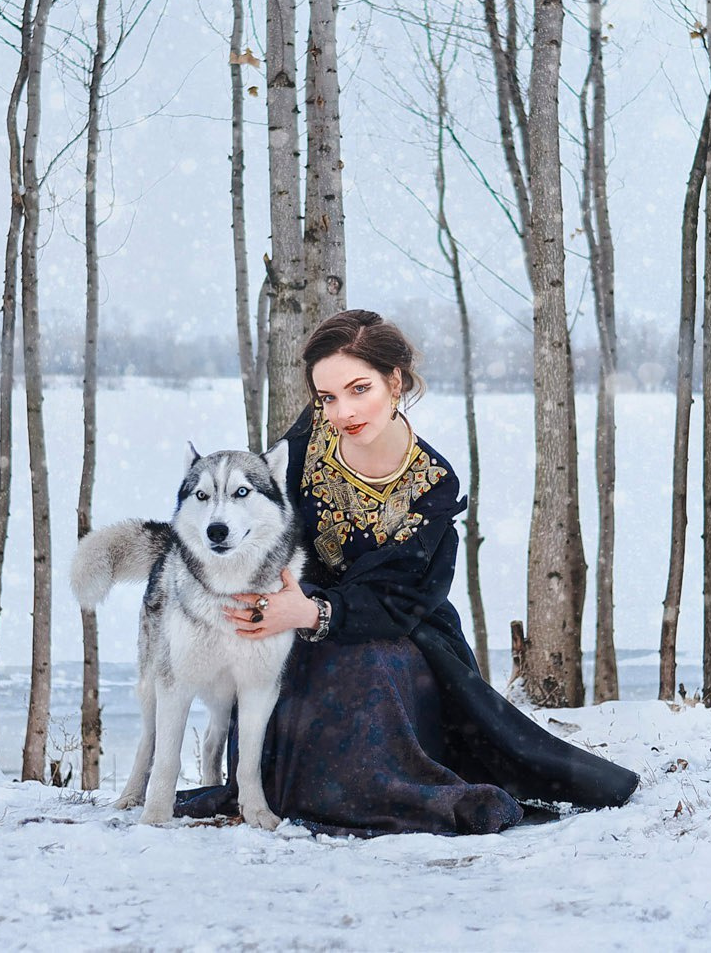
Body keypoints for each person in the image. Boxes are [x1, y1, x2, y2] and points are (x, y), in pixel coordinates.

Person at [174, 308, 639, 836]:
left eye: (359, 389)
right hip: (292, 609)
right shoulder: (307, 441)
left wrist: (314, 612)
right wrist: (268, 600)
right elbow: (264, 521)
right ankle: (277, 788)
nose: (343, 411)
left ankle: (389, 792)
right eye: (328, 398)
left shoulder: (433, 484)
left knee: (369, 666)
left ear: (394, 382)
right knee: (276, 661)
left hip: (400, 627)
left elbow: (405, 596)